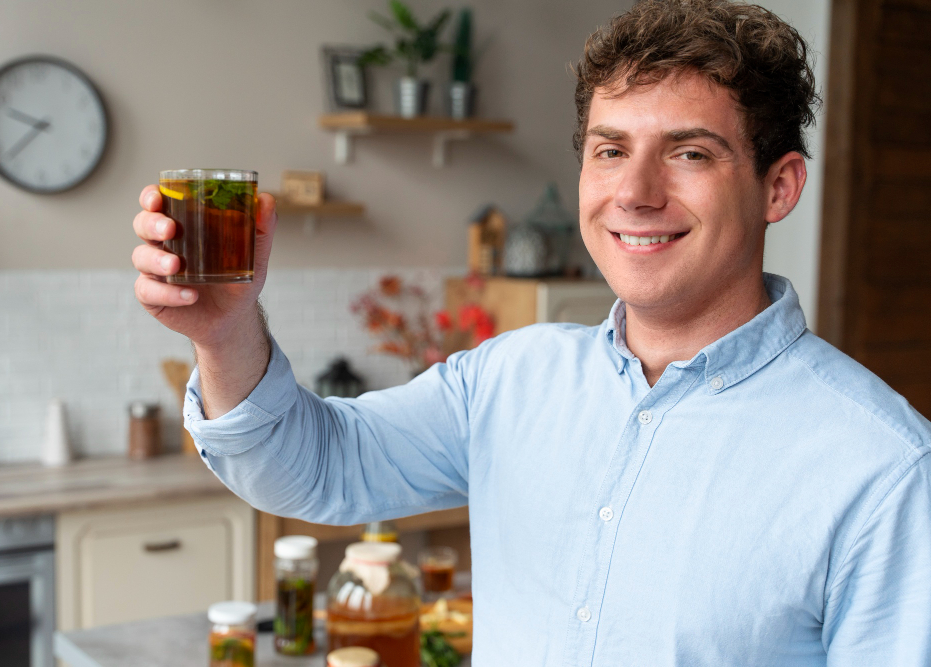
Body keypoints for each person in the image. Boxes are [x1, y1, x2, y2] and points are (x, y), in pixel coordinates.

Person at [131, 0, 931, 663]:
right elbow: (313, 468)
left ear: (778, 186)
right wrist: (225, 331)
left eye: (690, 152)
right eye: (611, 150)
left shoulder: (883, 467)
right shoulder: (508, 379)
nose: (636, 192)